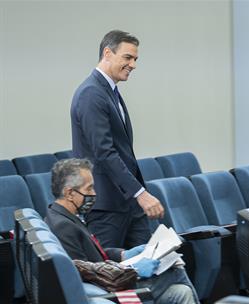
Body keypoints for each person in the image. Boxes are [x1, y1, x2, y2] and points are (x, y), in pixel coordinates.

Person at [45, 159, 198, 304]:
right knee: (175, 270)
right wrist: (134, 270)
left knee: (181, 291)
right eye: (89, 188)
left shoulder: (64, 216)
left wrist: (124, 254)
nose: (94, 193)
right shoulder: (63, 226)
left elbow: (91, 258)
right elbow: (83, 274)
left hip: (109, 281)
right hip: (110, 291)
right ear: (69, 193)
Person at [70, 29, 164, 248]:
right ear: (107, 53)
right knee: (110, 276)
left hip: (126, 202)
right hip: (106, 205)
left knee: (146, 266)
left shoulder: (109, 90)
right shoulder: (91, 93)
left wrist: (136, 195)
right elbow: (104, 152)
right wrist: (141, 193)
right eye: (128, 57)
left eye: (135, 59)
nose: (133, 65)